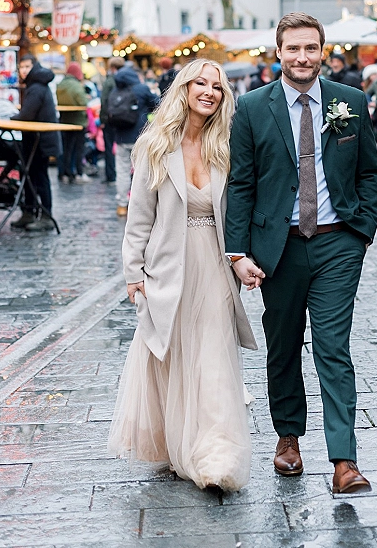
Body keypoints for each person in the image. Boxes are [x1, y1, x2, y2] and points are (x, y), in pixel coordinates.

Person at [226, 12, 377, 494]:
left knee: (334, 349)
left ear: (322, 51)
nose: (302, 57)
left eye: (310, 48)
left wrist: (362, 231)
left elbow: (371, 171)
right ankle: (288, 438)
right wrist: (237, 254)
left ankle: (344, 460)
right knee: (284, 346)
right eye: (293, 49)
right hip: (279, 249)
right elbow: (241, 184)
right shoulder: (252, 107)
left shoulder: (350, 101)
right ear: (278, 52)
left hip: (338, 243)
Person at [108, 59, 257, 491]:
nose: (209, 91)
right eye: (201, 83)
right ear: (185, 88)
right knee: (173, 359)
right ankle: (178, 445)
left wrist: (241, 257)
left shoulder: (226, 145)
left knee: (213, 356)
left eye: (217, 86)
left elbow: (240, 209)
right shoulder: (156, 144)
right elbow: (139, 218)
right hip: (167, 266)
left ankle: (216, 457)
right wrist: (132, 274)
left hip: (214, 263)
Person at [11, 54, 62, 231]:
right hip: (36, 139)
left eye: (26, 67)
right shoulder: (36, 85)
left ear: (33, 66)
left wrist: (11, 117)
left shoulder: (36, 87)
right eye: (21, 67)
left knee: (40, 177)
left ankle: (46, 216)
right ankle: (29, 212)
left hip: (40, 141)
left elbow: (27, 115)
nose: (23, 70)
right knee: (31, 176)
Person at [112, 65, 158, 216]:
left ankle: (121, 206)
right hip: (140, 137)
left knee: (122, 172)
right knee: (142, 171)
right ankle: (141, 206)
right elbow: (157, 104)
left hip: (121, 138)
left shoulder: (116, 91)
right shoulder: (142, 89)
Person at [56, 62, 88, 183]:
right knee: (78, 150)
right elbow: (83, 102)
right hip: (78, 122)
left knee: (65, 149)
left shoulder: (60, 84)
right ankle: (77, 173)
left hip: (64, 121)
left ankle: (63, 173)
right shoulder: (76, 86)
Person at [100, 57, 124, 184]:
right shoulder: (127, 80)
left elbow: (104, 100)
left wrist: (103, 119)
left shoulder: (109, 81)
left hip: (110, 119)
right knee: (123, 149)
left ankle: (111, 175)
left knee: (109, 147)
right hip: (124, 119)